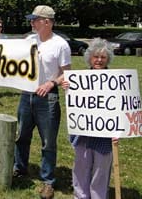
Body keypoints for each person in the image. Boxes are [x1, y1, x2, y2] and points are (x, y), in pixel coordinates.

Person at [13, 5, 71, 199]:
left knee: (48, 141)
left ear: (47, 22)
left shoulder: (61, 45)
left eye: (35, 19)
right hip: (26, 94)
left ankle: (48, 181)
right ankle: (19, 169)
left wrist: (51, 82)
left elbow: (66, 73)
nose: (31, 22)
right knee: (22, 136)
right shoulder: (30, 40)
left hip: (49, 98)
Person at [62, 38, 118, 199]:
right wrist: (68, 87)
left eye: (103, 57)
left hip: (105, 135)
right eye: (96, 57)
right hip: (83, 133)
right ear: (90, 58)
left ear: (108, 59)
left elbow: (122, 108)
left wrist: (120, 129)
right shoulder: (80, 79)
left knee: (101, 170)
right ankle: (80, 196)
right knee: (81, 167)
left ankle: (98, 196)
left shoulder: (116, 81)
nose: (99, 60)